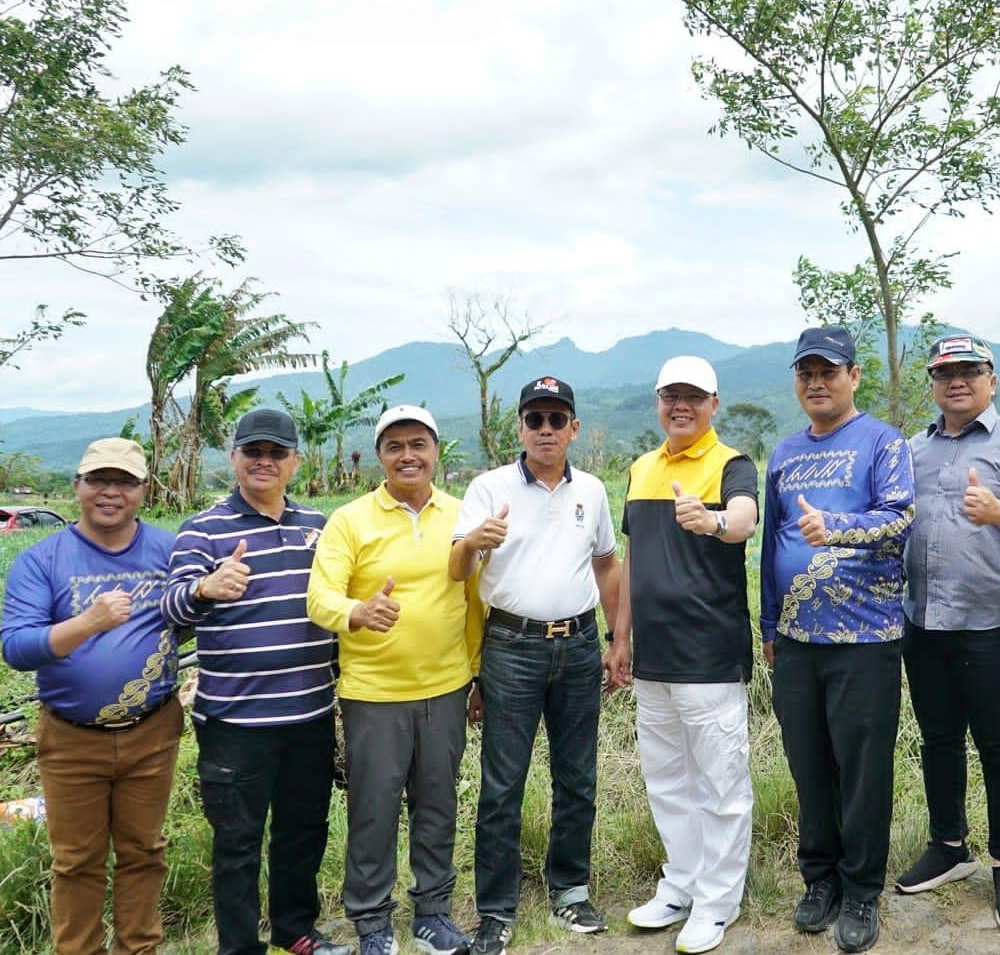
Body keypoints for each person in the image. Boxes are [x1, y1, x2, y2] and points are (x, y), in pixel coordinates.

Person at [161, 409, 348, 955]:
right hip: (235, 723)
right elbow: (170, 610)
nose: (264, 461)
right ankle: (240, 947)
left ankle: (295, 930)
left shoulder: (319, 526)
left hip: (310, 714)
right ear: (234, 458)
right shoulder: (203, 529)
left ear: (295, 462)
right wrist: (205, 588)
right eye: (253, 451)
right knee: (237, 842)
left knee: (303, 829)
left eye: (276, 453)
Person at [450, 377, 622, 955]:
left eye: (556, 419)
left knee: (577, 777)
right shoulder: (488, 488)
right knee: (502, 784)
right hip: (511, 646)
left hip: (578, 644)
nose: (545, 429)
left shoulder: (591, 490)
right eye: (535, 419)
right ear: (520, 427)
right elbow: (457, 568)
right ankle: (496, 910)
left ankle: (570, 890)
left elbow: (606, 564)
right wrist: (473, 541)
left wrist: (616, 639)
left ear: (574, 427)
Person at [896, 334, 1000, 932]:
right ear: (933, 385)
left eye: (969, 371)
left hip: (992, 623)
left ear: (991, 379)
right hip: (923, 621)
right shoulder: (912, 449)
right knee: (938, 738)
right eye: (945, 374)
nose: (957, 381)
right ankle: (948, 845)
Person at [306, 405, 484, 955]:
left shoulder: (462, 515)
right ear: (380, 456)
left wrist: (477, 675)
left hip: (446, 689)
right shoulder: (350, 520)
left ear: (436, 452)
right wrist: (356, 611)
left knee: (438, 805)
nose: (408, 456)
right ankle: (372, 921)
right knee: (373, 810)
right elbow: (319, 597)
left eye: (418, 445)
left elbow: (474, 603)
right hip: (374, 695)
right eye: (395, 446)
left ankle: (432, 914)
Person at [760, 326, 915, 955]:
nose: (817, 383)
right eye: (806, 373)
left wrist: (837, 527)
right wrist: (769, 625)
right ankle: (819, 878)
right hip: (797, 640)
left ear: (853, 376)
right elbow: (771, 545)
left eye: (828, 372)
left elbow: (899, 517)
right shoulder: (783, 453)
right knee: (809, 766)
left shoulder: (883, 441)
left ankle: (860, 889)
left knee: (862, 770)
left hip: (865, 636)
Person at [0, 438, 180, 955]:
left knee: (145, 851)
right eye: (99, 479)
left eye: (125, 482)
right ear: (77, 486)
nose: (110, 492)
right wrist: (89, 622)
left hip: (152, 729)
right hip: (71, 739)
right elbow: (17, 647)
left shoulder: (170, 551)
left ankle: (138, 948)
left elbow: (193, 614)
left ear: (143, 490)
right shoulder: (42, 559)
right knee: (76, 861)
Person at [604, 355, 759, 955]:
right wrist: (620, 638)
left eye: (694, 397)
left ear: (713, 405)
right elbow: (633, 560)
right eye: (672, 395)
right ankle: (682, 884)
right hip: (653, 658)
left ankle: (718, 901)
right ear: (658, 401)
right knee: (668, 780)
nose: (681, 406)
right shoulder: (642, 468)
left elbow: (744, 520)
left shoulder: (731, 464)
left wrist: (711, 521)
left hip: (709, 656)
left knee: (720, 784)